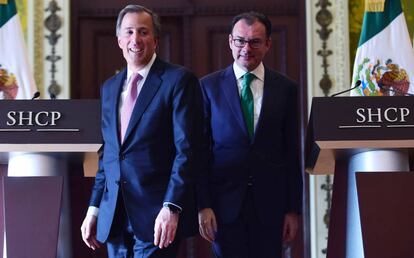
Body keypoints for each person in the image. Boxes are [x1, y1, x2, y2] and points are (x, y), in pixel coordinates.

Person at [80, 4, 201, 257]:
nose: (136, 39)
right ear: (119, 40)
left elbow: (187, 150)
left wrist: (172, 206)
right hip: (115, 218)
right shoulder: (109, 88)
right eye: (130, 32)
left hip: (157, 217)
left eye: (143, 32)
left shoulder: (178, 80)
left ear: (155, 40)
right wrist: (94, 209)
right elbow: (108, 157)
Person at [197, 11, 302, 258]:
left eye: (255, 41)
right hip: (223, 207)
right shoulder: (208, 87)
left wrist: (292, 210)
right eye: (240, 41)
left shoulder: (286, 88)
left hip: (270, 207)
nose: (247, 48)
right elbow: (200, 151)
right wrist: (203, 205)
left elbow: (290, 151)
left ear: (268, 44)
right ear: (230, 42)